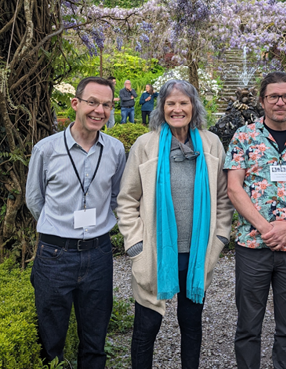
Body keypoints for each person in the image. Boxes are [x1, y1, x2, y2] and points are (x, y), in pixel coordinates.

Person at [117, 79, 233, 368]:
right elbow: (127, 199)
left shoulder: (211, 143)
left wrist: (219, 239)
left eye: (184, 102)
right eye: (171, 103)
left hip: (196, 253)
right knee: (147, 327)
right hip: (155, 252)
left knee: (191, 325)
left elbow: (223, 197)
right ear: (162, 107)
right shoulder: (146, 145)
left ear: (194, 106)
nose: (177, 109)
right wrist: (135, 245)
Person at [225, 71, 286, 369]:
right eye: (273, 96)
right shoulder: (243, 137)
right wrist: (268, 229)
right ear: (262, 101)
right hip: (253, 245)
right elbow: (234, 187)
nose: (280, 102)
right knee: (247, 325)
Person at [25, 76, 127, 368]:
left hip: (98, 254)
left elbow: (118, 196)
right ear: (76, 104)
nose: (99, 111)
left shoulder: (116, 149)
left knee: (95, 341)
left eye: (107, 105)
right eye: (92, 102)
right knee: (51, 340)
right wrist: (60, 230)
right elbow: (35, 200)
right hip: (55, 256)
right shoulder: (46, 149)